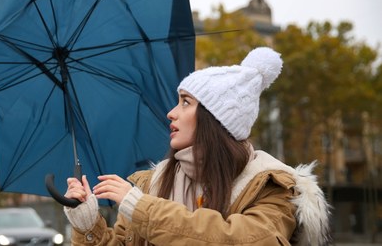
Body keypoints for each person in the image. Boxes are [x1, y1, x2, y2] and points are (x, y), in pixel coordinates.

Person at [63, 47, 331, 245]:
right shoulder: (152, 184)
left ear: (216, 117)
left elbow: (247, 239)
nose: (171, 113)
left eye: (185, 102)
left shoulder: (268, 184)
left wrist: (142, 208)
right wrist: (88, 226)